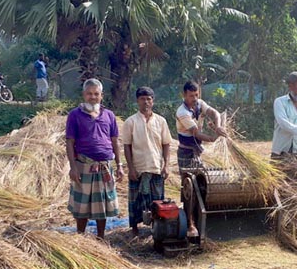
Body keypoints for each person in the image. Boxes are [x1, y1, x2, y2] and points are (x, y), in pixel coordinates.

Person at [66, 79, 124, 239]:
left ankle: (101, 237)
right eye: (89, 94)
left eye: (96, 94)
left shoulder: (109, 115)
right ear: (84, 95)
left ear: (101, 96)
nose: (93, 97)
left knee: (102, 204)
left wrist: (119, 165)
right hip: (84, 165)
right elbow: (70, 142)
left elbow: (114, 141)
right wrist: (73, 167)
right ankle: (80, 236)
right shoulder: (75, 115)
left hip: (105, 166)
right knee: (81, 204)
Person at [176, 80, 227, 237]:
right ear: (184, 95)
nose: (194, 98)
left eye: (196, 95)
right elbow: (196, 133)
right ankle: (190, 224)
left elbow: (215, 113)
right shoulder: (182, 112)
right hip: (186, 153)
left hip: (197, 152)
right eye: (191, 95)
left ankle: (201, 220)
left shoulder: (200, 104)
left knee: (201, 185)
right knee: (189, 189)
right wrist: (213, 138)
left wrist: (218, 126)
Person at [122, 87, 172, 236]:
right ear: (137, 101)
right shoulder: (130, 122)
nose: (146, 102)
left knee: (157, 201)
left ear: (153, 101)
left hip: (156, 168)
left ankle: (156, 229)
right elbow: (127, 146)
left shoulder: (161, 121)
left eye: (149, 99)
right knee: (136, 201)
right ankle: (135, 229)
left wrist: (166, 165)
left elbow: (166, 144)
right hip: (138, 168)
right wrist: (130, 168)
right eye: (143, 99)